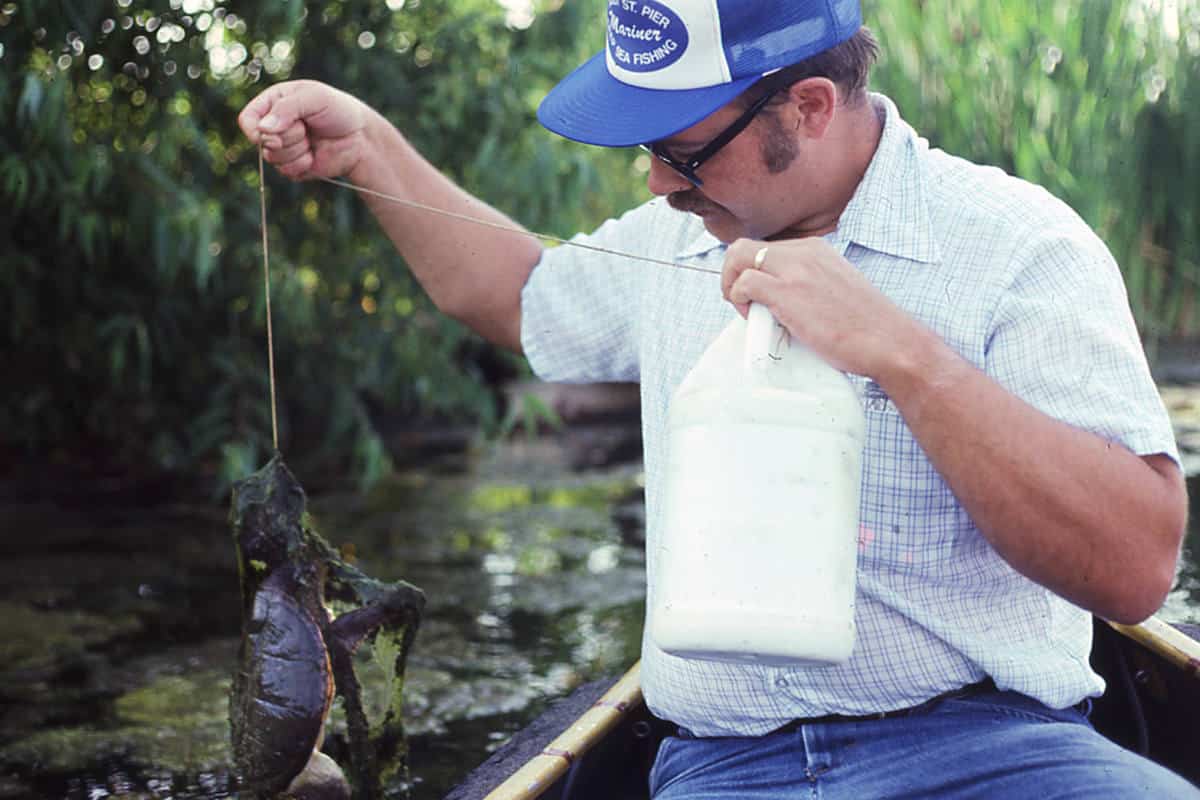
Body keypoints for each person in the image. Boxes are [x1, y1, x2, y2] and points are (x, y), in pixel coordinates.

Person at [239, 0, 1195, 796]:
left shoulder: (1022, 246)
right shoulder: (679, 236)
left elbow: (1136, 567)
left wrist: (904, 356)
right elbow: (517, 295)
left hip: (995, 756)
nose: (657, 184)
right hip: (721, 769)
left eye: (682, 151)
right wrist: (366, 147)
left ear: (811, 106)